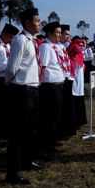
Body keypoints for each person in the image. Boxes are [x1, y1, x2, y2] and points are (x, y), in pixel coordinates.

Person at [5, 8, 41, 185]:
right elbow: (12, 68)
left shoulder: (32, 40)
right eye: (36, 21)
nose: (39, 23)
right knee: (17, 133)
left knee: (29, 130)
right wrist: (11, 84)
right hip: (21, 89)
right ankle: (13, 172)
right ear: (27, 23)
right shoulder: (20, 40)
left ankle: (26, 161)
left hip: (32, 88)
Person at [38, 22, 65, 158]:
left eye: (60, 32)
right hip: (49, 86)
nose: (59, 35)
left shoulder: (56, 47)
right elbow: (42, 67)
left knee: (56, 115)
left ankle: (52, 141)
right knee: (49, 117)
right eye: (57, 32)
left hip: (58, 84)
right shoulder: (45, 47)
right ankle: (46, 145)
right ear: (49, 33)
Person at [0, 23, 19, 147]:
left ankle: (3, 134)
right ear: (6, 34)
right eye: (11, 37)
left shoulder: (7, 46)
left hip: (7, 80)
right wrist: (6, 67)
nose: (12, 40)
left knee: (5, 111)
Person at [59, 24, 76, 138]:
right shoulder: (59, 46)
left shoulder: (65, 46)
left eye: (69, 35)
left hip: (68, 76)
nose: (68, 37)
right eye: (66, 34)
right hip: (61, 78)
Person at [68, 36, 87, 129]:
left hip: (79, 79)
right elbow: (77, 49)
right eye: (79, 44)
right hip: (74, 78)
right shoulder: (73, 48)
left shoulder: (79, 53)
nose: (81, 46)